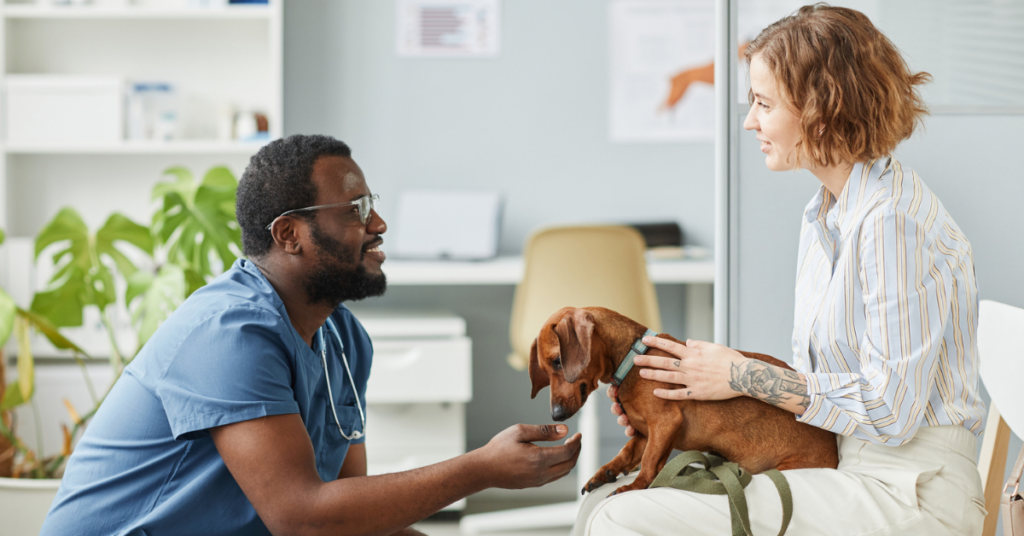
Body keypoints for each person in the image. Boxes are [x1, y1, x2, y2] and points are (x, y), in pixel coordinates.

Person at [576, 5, 987, 536]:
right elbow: (831, 389)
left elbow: (891, 411)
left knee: (624, 518)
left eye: (764, 104)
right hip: (850, 466)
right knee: (607, 500)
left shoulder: (893, 223)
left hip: (910, 491)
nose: (750, 121)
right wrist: (679, 404)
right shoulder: (826, 214)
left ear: (819, 108)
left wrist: (740, 375)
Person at [41, 134, 582, 536]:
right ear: (289, 234)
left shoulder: (342, 338)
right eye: (357, 210)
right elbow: (303, 520)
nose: (379, 225)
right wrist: (480, 469)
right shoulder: (227, 334)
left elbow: (348, 520)